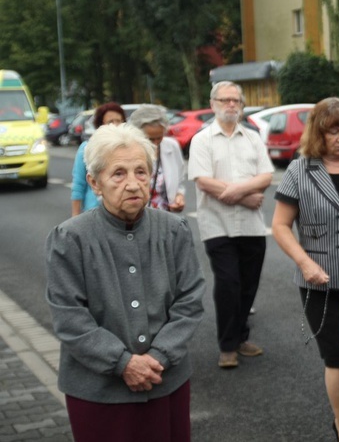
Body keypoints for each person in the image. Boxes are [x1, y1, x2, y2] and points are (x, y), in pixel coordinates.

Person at [45, 124, 205, 442]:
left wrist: (158, 357)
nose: (133, 184)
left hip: (165, 381)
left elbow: (190, 300)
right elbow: (69, 317)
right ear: (95, 182)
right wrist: (122, 362)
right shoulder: (70, 238)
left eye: (141, 172)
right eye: (118, 174)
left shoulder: (174, 230)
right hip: (98, 391)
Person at [272, 98, 339, 442]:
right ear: (319, 132)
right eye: (333, 131)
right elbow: (280, 226)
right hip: (322, 280)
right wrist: (305, 263)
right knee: (337, 357)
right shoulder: (300, 170)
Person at [188, 81, 274, 369]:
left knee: (248, 285)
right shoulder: (202, 139)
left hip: (251, 225)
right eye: (224, 100)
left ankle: (240, 337)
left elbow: (266, 175)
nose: (231, 105)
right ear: (213, 104)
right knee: (228, 284)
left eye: (236, 100)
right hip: (217, 225)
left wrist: (239, 193)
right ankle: (227, 346)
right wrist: (244, 196)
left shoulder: (252, 138)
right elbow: (203, 181)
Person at [71, 103, 126, 216]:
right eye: (110, 122)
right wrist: (75, 216)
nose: (115, 125)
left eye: (119, 121)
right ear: (100, 125)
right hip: (94, 212)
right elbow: (78, 185)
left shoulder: (128, 149)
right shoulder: (87, 148)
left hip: (122, 213)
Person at [128, 105, 186, 213]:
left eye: (159, 137)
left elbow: (180, 180)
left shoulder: (172, 146)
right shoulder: (127, 152)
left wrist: (179, 196)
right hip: (136, 217)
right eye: (150, 139)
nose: (155, 143)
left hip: (166, 217)